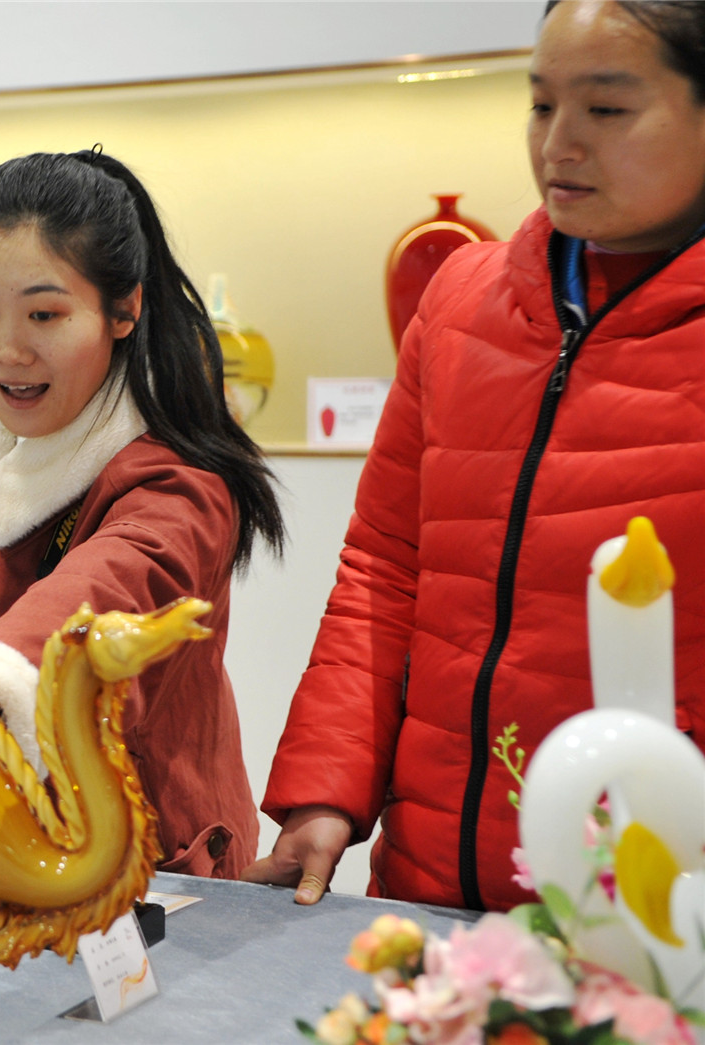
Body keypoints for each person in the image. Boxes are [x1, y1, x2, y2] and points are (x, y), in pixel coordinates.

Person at [245, 0, 705, 912]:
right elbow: (385, 565)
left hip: (651, 915)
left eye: (606, 110)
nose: (558, 145)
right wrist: (324, 790)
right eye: (540, 105)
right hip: (429, 888)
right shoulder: (461, 299)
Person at [0, 149, 286, 878]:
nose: (8, 349)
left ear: (125, 309)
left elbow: (105, 590)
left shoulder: (180, 481)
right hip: (22, 846)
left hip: (152, 869)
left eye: (46, 314)